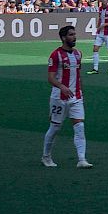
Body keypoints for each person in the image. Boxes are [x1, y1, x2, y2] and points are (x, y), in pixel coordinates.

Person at [44, 26, 93, 168]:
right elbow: (50, 78)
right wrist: (62, 87)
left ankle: (82, 159)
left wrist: (81, 91)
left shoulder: (78, 54)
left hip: (76, 97)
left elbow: (78, 76)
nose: (74, 37)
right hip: (59, 97)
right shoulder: (56, 55)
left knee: (79, 126)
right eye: (71, 35)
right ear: (63, 38)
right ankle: (46, 157)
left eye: (75, 34)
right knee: (55, 128)